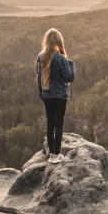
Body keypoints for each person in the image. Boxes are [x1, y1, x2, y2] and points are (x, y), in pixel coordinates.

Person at [36, 28, 76, 164]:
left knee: (50, 123)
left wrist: (42, 94)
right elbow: (69, 78)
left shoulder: (41, 57)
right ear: (59, 42)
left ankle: (51, 155)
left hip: (47, 95)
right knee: (59, 124)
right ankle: (56, 154)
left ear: (46, 41)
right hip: (60, 96)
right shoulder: (61, 58)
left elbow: (39, 78)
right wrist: (71, 64)